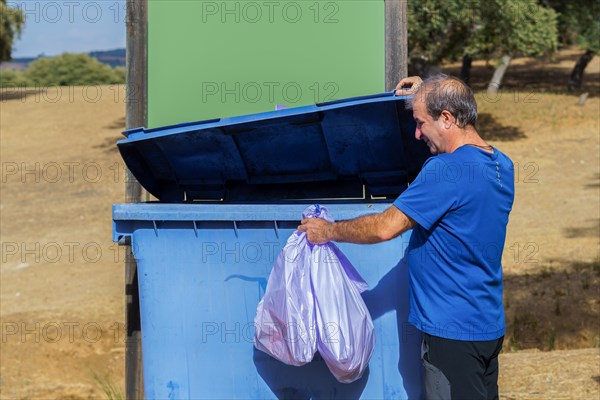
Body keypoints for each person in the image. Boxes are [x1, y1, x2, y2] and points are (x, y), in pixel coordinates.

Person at [298, 74, 514, 399]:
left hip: (451, 334)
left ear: (446, 118)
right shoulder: (501, 165)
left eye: (420, 122)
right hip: (486, 324)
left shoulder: (445, 171)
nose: (416, 133)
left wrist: (327, 231)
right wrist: (429, 88)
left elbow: (385, 226)